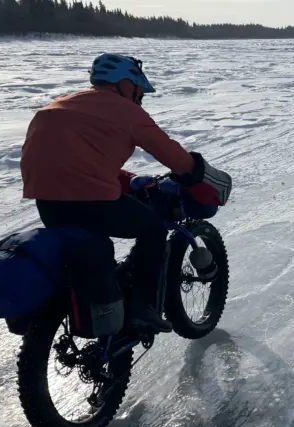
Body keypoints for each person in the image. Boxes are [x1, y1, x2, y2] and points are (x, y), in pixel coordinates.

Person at [20, 53, 229, 334]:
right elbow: (173, 157)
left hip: (47, 203)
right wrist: (195, 172)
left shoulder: (58, 107)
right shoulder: (127, 112)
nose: (140, 95)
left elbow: (71, 163)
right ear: (126, 85)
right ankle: (142, 306)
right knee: (152, 228)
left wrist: (127, 181)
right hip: (93, 204)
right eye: (139, 89)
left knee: (89, 244)